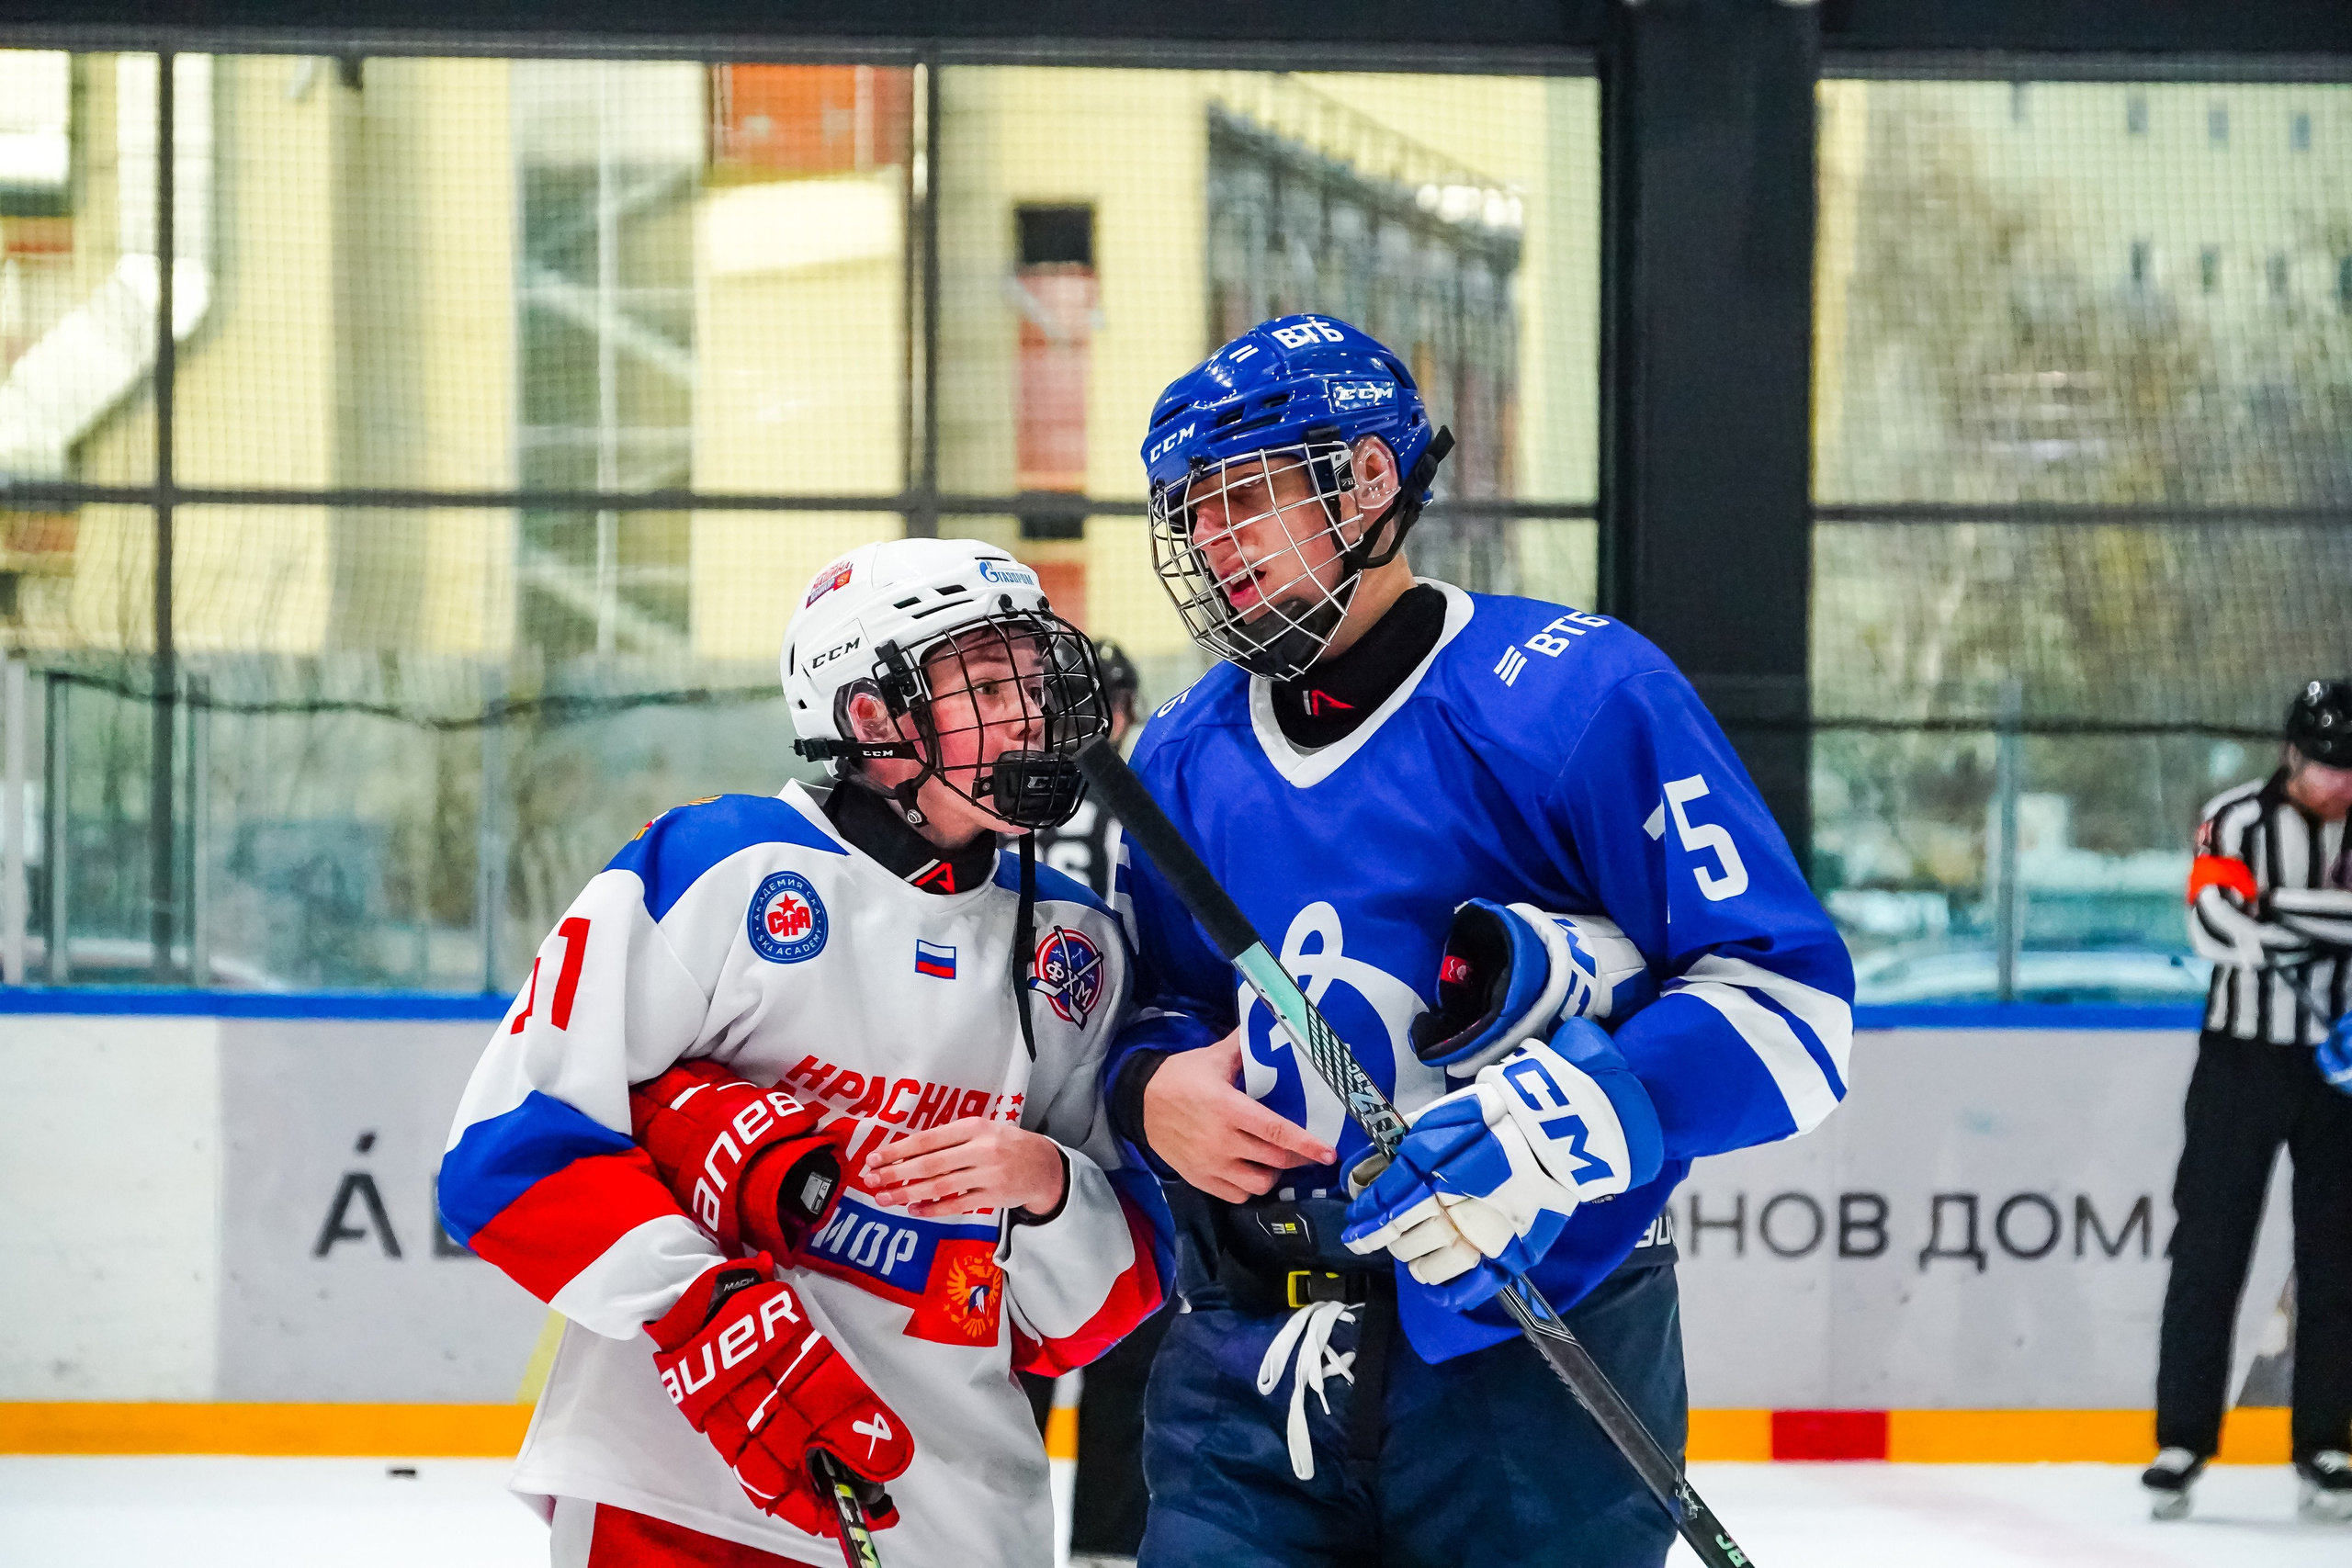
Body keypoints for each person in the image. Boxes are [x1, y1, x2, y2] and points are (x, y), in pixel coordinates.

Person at [1102, 313, 1855, 1567]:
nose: (1210, 538)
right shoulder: (1181, 754)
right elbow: (1156, 1006)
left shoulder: (1577, 695)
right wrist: (1149, 1085)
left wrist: (1559, 1122)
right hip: (1246, 1361)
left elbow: (1792, 1010)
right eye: (1190, 508)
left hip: (1531, 1362)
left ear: (1366, 480)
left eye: (1242, 496)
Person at [439, 537, 1172, 1568]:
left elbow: (1091, 1319)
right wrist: (701, 1309)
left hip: (954, 1521)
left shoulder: (1075, 945)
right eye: (985, 684)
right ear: (870, 717)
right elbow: (508, 1149)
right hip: (676, 1495)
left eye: (1035, 681)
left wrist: (1049, 1188)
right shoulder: (720, 869)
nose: (1029, 715)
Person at [2145, 677, 2352, 1523]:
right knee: (2209, 1247)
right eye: (2327, 763)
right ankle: (2182, 1440)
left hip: (2343, 1072)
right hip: (2240, 1061)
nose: (2340, 782)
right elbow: (2214, 927)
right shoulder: (2233, 818)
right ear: (2291, 753)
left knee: (2337, 1258)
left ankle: (2325, 1442)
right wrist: (2323, 923)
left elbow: (2253, 923)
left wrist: (2276, 911)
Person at [1023, 637, 1170, 1567]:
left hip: (1017, 1091)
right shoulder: (1145, 802)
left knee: (1015, 1338)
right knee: (1124, 1331)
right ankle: (1105, 1549)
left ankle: (1005, 1538)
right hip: (1119, 1096)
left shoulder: (999, 800)